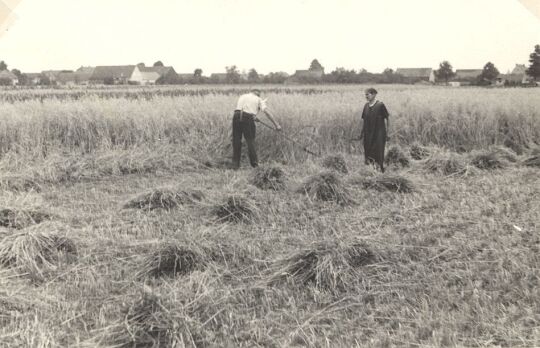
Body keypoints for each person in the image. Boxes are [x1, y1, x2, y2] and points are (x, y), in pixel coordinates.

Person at [232, 89, 281, 169]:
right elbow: (266, 112)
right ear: (258, 94)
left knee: (236, 140)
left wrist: (254, 117)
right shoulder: (259, 99)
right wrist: (277, 125)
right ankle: (255, 164)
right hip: (248, 118)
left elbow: (244, 110)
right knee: (250, 141)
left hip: (236, 116)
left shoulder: (243, 96)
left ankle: (235, 165)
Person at [359, 88, 390, 172]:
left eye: (368, 94)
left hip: (379, 133)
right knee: (368, 151)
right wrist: (361, 134)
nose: (366, 96)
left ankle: (381, 170)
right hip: (368, 134)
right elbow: (364, 121)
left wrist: (387, 133)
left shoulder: (380, 105)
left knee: (378, 151)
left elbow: (387, 119)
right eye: (365, 94)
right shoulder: (366, 106)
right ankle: (371, 170)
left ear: (374, 94)